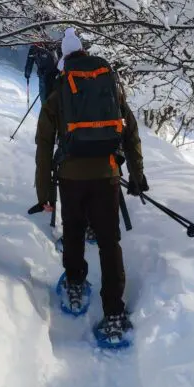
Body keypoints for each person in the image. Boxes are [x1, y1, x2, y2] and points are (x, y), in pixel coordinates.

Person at [29, 27, 148, 343]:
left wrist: (44, 195)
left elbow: (43, 145)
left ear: (63, 60)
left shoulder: (58, 93)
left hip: (70, 177)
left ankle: (75, 282)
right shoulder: (108, 84)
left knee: (75, 232)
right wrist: (137, 176)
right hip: (107, 175)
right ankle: (114, 313)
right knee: (110, 243)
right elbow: (130, 131)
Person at [24, 39, 59, 104]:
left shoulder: (34, 48)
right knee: (50, 96)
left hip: (47, 75)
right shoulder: (49, 44)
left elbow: (29, 61)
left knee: (45, 97)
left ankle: (47, 110)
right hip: (52, 75)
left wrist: (27, 73)